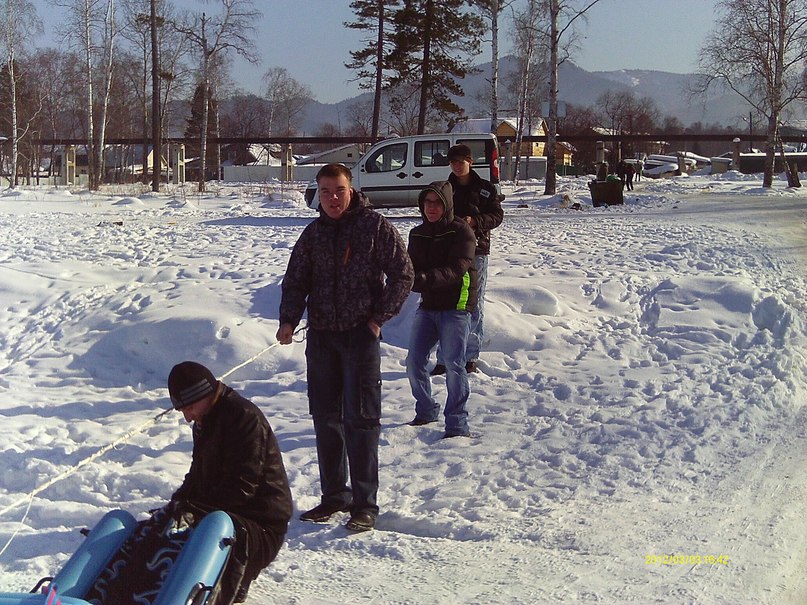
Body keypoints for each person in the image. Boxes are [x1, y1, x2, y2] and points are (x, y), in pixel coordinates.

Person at [276, 163, 414, 532]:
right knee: (325, 417)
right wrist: (288, 320)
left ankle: (365, 502)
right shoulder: (313, 234)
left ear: (351, 190)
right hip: (322, 337)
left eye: (338, 190)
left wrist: (378, 317)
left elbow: (403, 273)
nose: (333, 198)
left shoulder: (374, 227)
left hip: (360, 337)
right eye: (325, 192)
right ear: (317, 195)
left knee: (362, 420)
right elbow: (294, 281)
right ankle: (334, 495)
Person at [167, 360, 293, 604]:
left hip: (260, 525)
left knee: (209, 526)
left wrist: (196, 509)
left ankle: (226, 580)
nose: (188, 418)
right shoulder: (206, 420)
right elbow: (197, 475)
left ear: (206, 394)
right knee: (172, 526)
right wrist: (179, 503)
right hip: (226, 514)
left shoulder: (243, 417)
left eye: (190, 408)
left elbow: (242, 487)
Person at [406, 181, 477, 438]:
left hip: (456, 306)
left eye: (437, 203)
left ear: (446, 205)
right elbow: (408, 268)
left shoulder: (462, 231)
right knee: (414, 362)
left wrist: (424, 279)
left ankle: (457, 423)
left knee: (454, 365)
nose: (431, 208)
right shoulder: (417, 234)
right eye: (427, 202)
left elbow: (457, 269)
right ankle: (426, 409)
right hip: (428, 306)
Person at [432, 143, 503, 376]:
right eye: (453, 162)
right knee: (445, 303)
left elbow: (496, 215)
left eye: (460, 162)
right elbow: (432, 213)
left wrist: (475, 222)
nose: (456, 166)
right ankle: (444, 358)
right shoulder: (444, 188)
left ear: (470, 162)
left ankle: (470, 356)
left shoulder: (485, 189)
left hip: (477, 251)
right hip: (447, 251)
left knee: (473, 304)